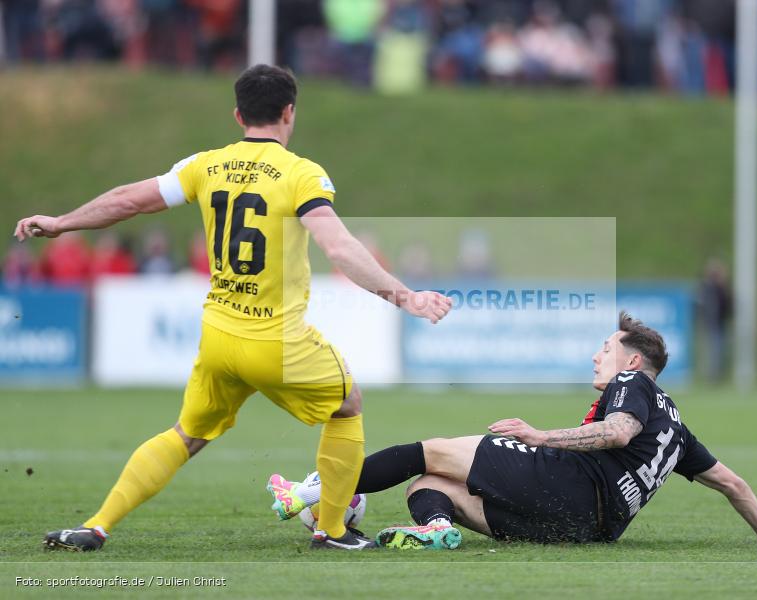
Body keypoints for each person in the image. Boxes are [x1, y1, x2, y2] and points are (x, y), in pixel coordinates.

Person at [14, 64, 452, 552]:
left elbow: (128, 200)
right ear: (290, 112)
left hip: (219, 336)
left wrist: (61, 222)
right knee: (348, 405)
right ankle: (332, 531)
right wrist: (406, 297)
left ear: (238, 113)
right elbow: (341, 248)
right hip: (276, 340)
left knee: (187, 434)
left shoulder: (205, 165)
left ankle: (96, 525)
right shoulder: (302, 173)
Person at [268, 313, 757, 549]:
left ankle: (314, 490)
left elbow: (616, 432)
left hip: (565, 482)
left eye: (605, 348)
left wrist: (539, 437)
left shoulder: (634, 383)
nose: (597, 355)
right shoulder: (677, 432)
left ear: (633, 360)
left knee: (428, 451)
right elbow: (733, 484)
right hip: (585, 530)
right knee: (428, 488)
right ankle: (433, 531)